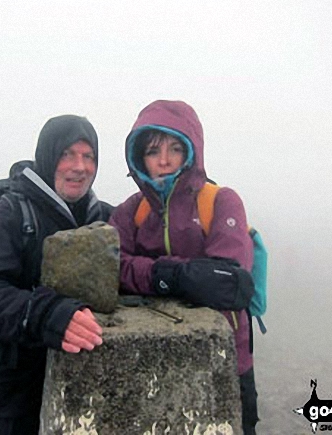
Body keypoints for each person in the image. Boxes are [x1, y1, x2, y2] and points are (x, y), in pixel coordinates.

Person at [109, 100, 259, 434]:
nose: (164, 160)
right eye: (153, 150)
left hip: (229, 363)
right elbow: (111, 267)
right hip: (150, 364)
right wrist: (177, 275)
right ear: (138, 157)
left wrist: (151, 273)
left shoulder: (221, 201)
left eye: (175, 148)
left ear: (193, 151)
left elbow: (227, 283)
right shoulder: (130, 212)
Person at [0, 114, 113, 435]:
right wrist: (45, 314)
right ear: (47, 156)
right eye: (67, 154)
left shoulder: (104, 217)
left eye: (89, 156)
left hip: (87, 377)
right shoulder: (9, 215)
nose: (80, 166)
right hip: (17, 380)